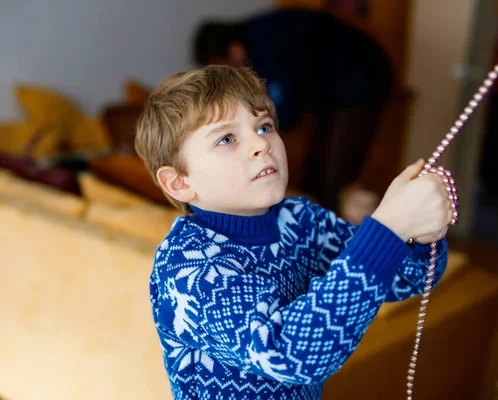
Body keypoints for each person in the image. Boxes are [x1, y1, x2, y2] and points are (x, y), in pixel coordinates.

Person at [135, 66, 451, 400]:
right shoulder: (187, 268)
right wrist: (389, 227)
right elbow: (291, 354)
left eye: (265, 125)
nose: (261, 143)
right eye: (226, 138)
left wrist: (421, 235)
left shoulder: (300, 221)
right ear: (180, 183)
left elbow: (407, 278)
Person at [193, 9, 394, 210]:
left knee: (337, 172)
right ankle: (319, 211)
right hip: (335, 87)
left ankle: (336, 226)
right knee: (316, 168)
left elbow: (288, 107)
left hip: (363, 76)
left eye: (223, 64)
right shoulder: (256, 37)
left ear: (233, 49)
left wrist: (259, 130)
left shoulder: (267, 45)